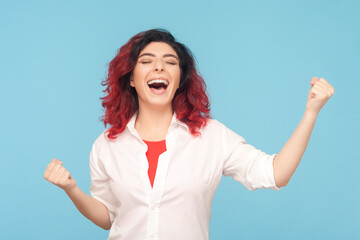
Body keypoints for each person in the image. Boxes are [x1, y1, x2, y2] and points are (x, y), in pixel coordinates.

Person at [44, 29, 334, 240]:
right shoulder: (107, 145)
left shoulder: (212, 137)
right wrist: (72, 189)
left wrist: (311, 112)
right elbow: (107, 217)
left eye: (170, 62)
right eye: (146, 61)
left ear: (180, 78)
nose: (159, 66)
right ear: (131, 78)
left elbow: (276, 173)